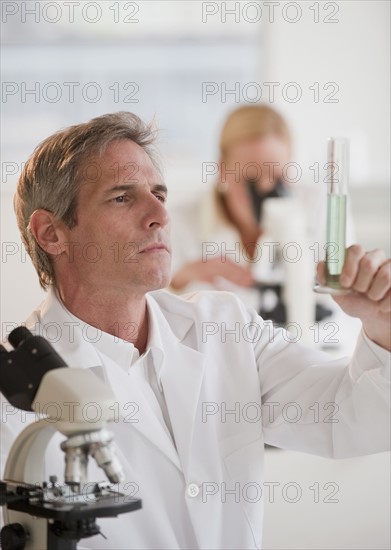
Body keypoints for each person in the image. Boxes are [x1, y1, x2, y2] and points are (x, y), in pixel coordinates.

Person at [1, 111, 390, 550]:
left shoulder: (225, 329)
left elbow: (351, 416)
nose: (160, 214)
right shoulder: (13, 393)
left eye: (159, 193)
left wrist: (383, 329)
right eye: (122, 198)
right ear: (51, 233)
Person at [169, 105, 343, 329]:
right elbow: (155, 316)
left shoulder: (319, 207)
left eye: (278, 177)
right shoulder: (179, 223)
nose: (266, 191)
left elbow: (341, 301)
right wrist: (180, 279)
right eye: (250, 178)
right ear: (222, 169)